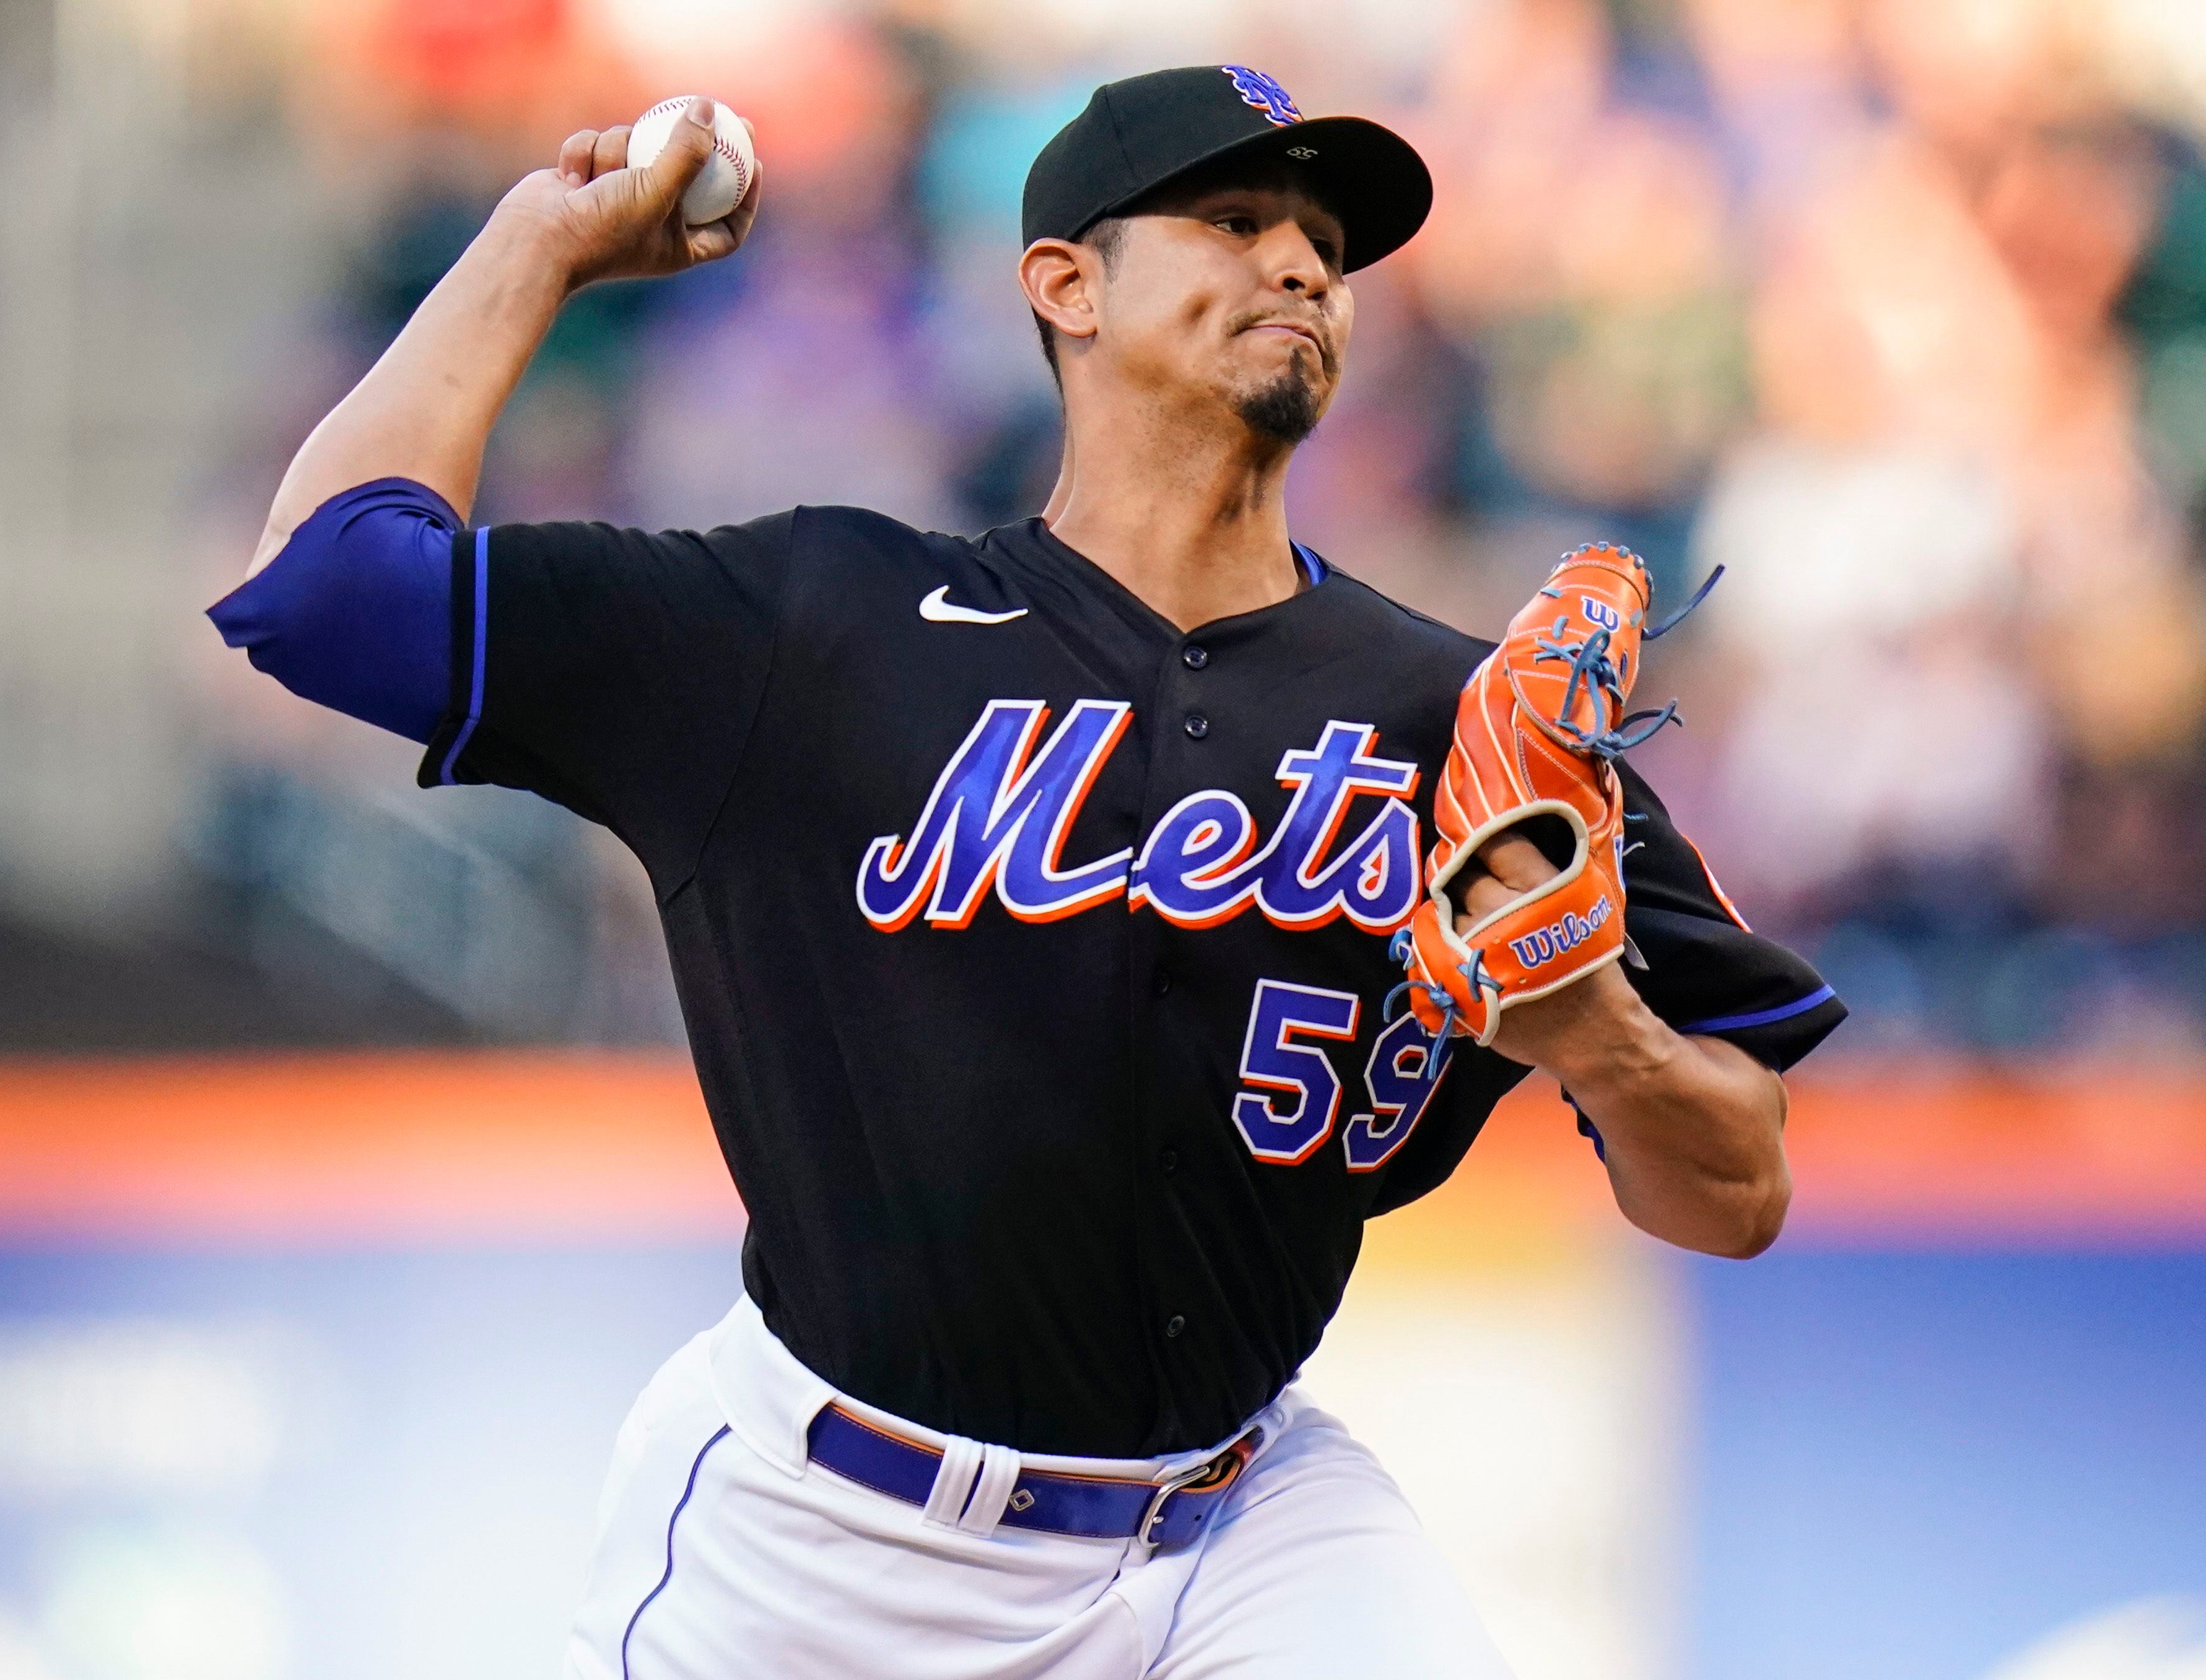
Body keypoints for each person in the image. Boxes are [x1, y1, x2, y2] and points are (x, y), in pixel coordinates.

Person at [211, 66, 1843, 1680]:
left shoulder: (1460, 726)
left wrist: (1602, 1037)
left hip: (1243, 1526)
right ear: (1063, 282)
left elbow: (1736, 1190)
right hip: (822, 1544)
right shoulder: (815, 626)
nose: (1298, 264)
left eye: (1325, 244)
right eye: (1231, 218)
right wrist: (535, 252)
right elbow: (324, 588)